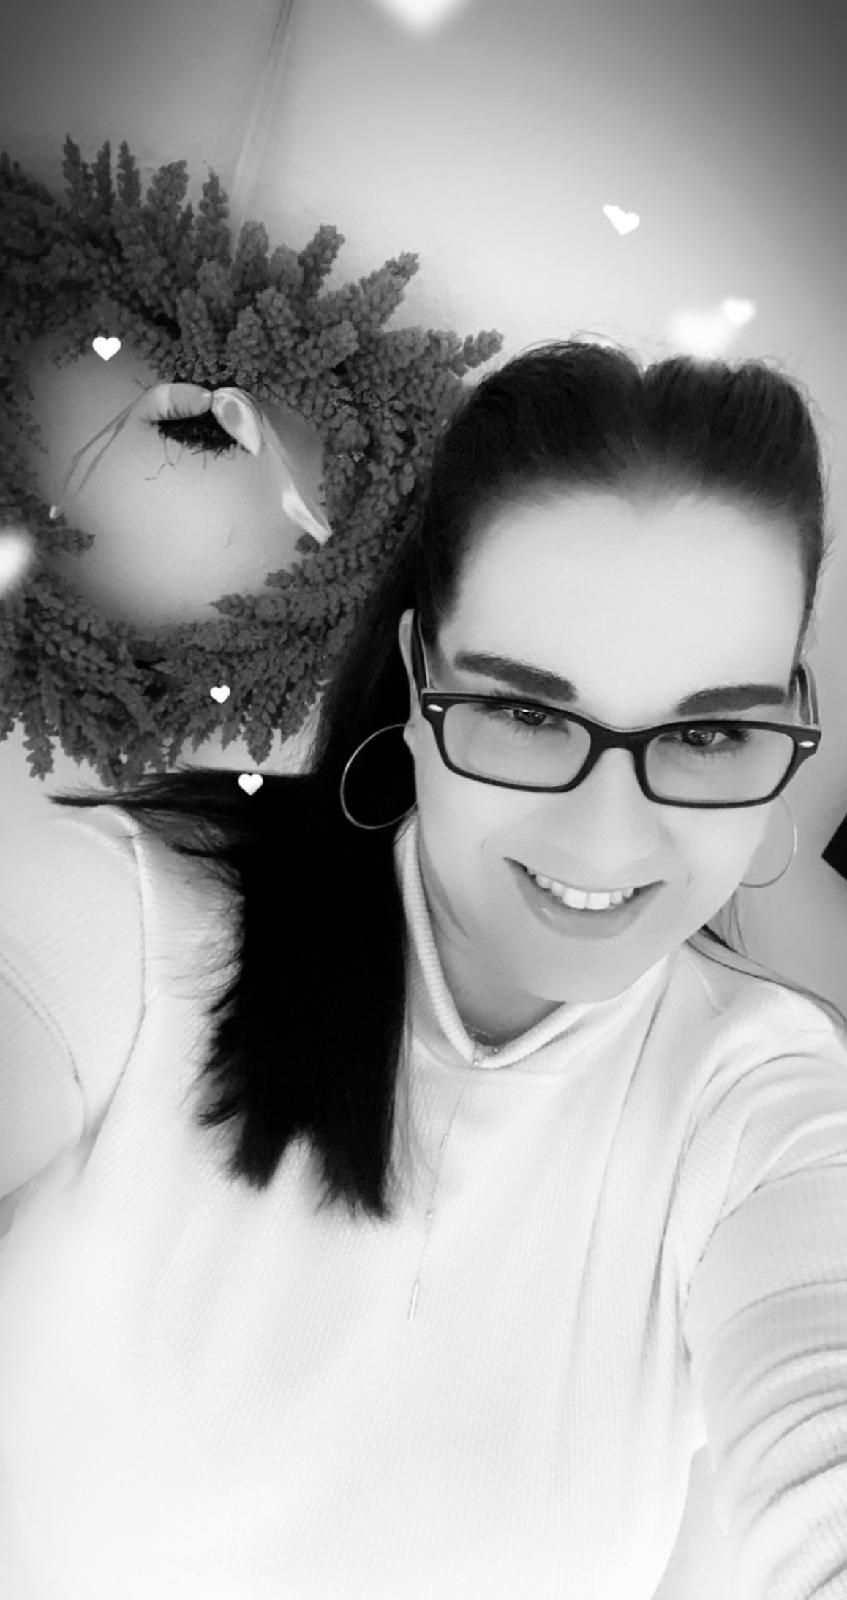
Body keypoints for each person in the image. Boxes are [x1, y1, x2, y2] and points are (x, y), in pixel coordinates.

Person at [2, 339, 846, 1598]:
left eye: (710, 732)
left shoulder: (760, 1098)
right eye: (525, 713)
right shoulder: (127, 923)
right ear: (415, 683)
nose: (607, 837)